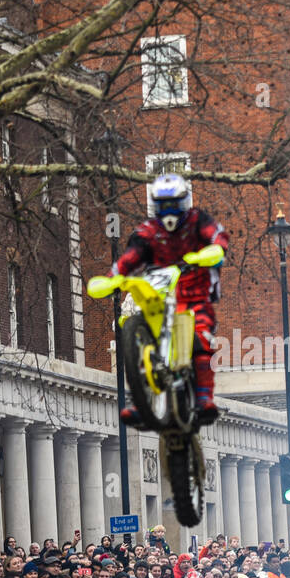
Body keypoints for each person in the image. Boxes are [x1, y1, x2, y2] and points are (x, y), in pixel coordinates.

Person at [113, 172, 228, 426]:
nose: (168, 211)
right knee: (135, 324)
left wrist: (215, 249)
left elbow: (216, 235)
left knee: (201, 332)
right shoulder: (148, 230)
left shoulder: (198, 221)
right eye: (163, 205)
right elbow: (133, 253)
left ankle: (203, 397)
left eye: (173, 204)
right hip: (159, 285)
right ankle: (142, 402)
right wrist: (116, 273)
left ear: (183, 203)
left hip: (192, 288)